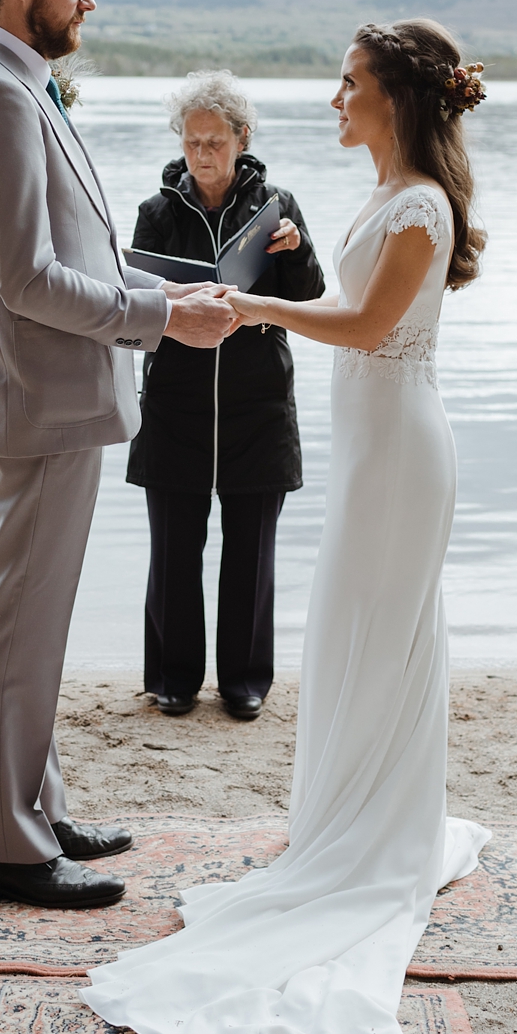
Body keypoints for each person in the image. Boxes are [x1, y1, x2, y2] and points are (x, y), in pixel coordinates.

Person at [82, 19, 491, 1034]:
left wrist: (254, 302)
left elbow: (360, 326)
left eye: (349, 82)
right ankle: (350, 819)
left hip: (401, 449)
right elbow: (351, 315)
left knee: (382, 632)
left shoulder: (420, 206)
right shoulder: (384, 193)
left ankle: (376, 840)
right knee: (356, 634)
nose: (335, 98)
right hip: (371, 448)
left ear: (396, 95)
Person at [0, 0, 235, 911]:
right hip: (39, 396)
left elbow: (76, 251)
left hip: (56, 394)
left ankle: (35, 808)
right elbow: (26, 278)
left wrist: (174, 293)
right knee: (18, 618)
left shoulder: (23, 87)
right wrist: (157, 318)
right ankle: (3, 847)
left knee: (34, 617)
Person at [126, 71, 325, 720]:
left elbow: (311, 298)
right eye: (192, 142)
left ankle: (244, 682)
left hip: (257, 409)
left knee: (251, 556)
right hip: (176, 408)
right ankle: (174, 679)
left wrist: (292, 254)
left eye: (214, 140)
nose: (202, 153)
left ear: (242, 137)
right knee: (174, 555)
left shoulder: (276, 206)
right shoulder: (157, 213)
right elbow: (133, 305)